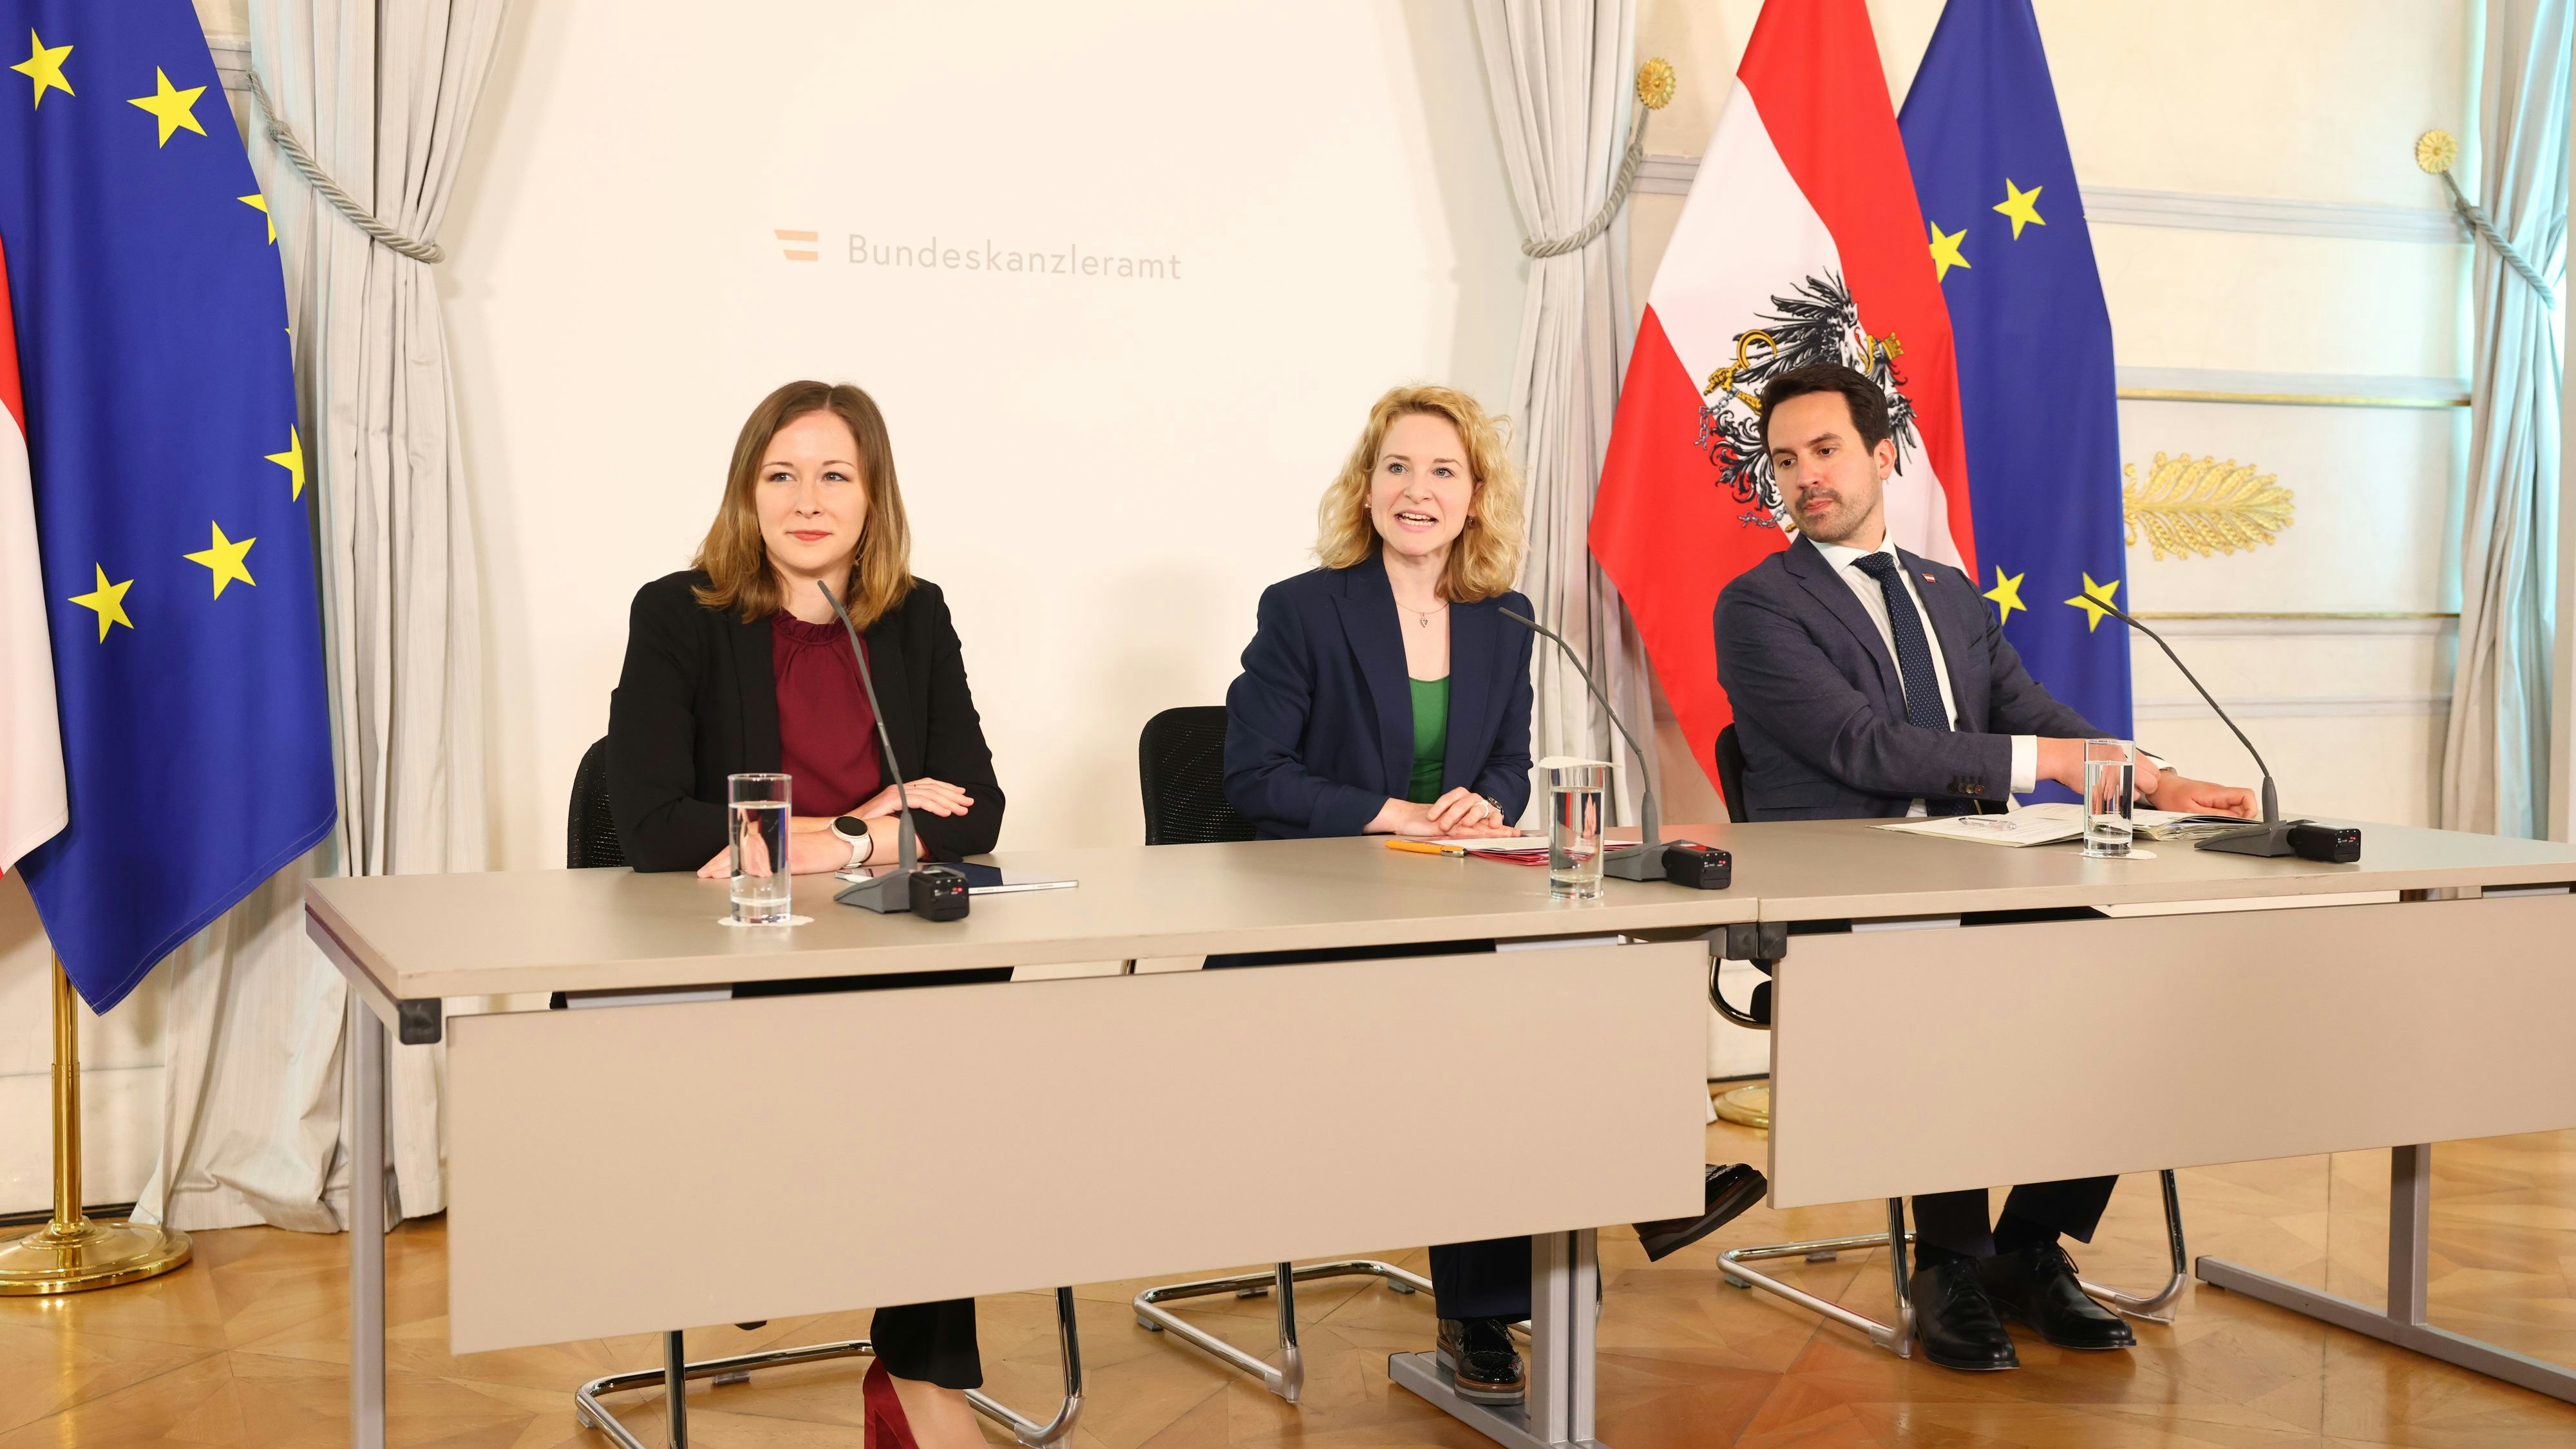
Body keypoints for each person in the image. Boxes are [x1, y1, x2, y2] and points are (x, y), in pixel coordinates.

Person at [1223, 384, 1766, 1406]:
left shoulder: (1503, 619)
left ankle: (1644, 1185)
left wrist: (1484, 800)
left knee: (1590, 965)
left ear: (1475, 498)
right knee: (1484, 1027)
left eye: (1443, 471)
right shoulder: (1303, 608)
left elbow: (1512, 766)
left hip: (1457, 895)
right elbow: (1254, 777)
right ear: (1366, 485)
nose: (1416, 490)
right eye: (1397, 467)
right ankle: (1495, 1301)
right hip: (1331, 906)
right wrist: (1401, 811)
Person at [1714, 363, 2257, 1373]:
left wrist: (2154, 779)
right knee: (1939, 976)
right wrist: (2054, 766)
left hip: (1973, 878)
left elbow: (2032, 711)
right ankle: (1947, 1259)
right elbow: (1863, 748)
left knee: (2126, 977)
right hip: (1843, 895)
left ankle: (2028, 1246)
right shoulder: (1758, 607)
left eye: (1826, 451)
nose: (1804, 478)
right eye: (1785, 462)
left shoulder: (1948, 593)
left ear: (1884, 455)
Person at [607, 379, 1003, 1449]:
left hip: (886, 959)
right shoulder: (677, 613)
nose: (807, 498)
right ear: (748, 491)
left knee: (955, 1052)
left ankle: (923, 1386)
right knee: (910, 1079)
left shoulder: (914, 617)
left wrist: (833, 841)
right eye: (781, 473)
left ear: (873, 497)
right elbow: (649, 823)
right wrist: (863, 828)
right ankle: (806, 1271)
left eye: (836, 474)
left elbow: (975, 808)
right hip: (734, 965)